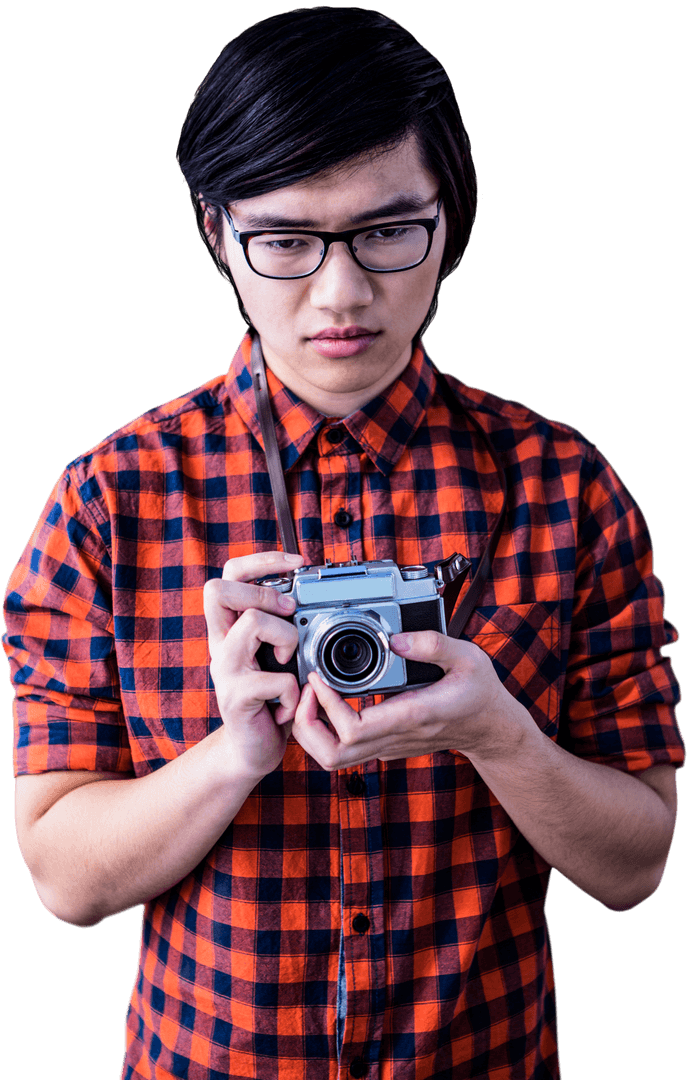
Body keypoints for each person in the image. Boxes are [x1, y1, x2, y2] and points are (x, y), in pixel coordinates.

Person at [4, 7, 683, 1079]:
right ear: (215, 230)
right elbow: (63, 880)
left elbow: (637, 863)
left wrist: (499, 736)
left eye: (387, 232)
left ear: (452, 219)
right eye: (284, 242)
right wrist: (232, 757)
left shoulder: (567, 489)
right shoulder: (109, 501)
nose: (342, 293)